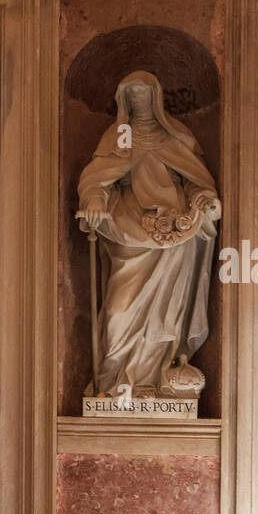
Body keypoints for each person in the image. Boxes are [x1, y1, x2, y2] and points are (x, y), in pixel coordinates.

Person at [76, 70, 221, 399]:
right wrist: (96, 200)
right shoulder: (119, 137)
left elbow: (198, 182)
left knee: (167, 314)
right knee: (117, 311)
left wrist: (203, 200)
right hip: (129, 231)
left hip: (176, 234)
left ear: (155, 97)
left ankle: (156, 381)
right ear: (123, 99)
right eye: (131, 94)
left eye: (143, 93)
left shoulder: (176, 137)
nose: (138, 100)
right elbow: (95, 178)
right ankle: (113, 385)